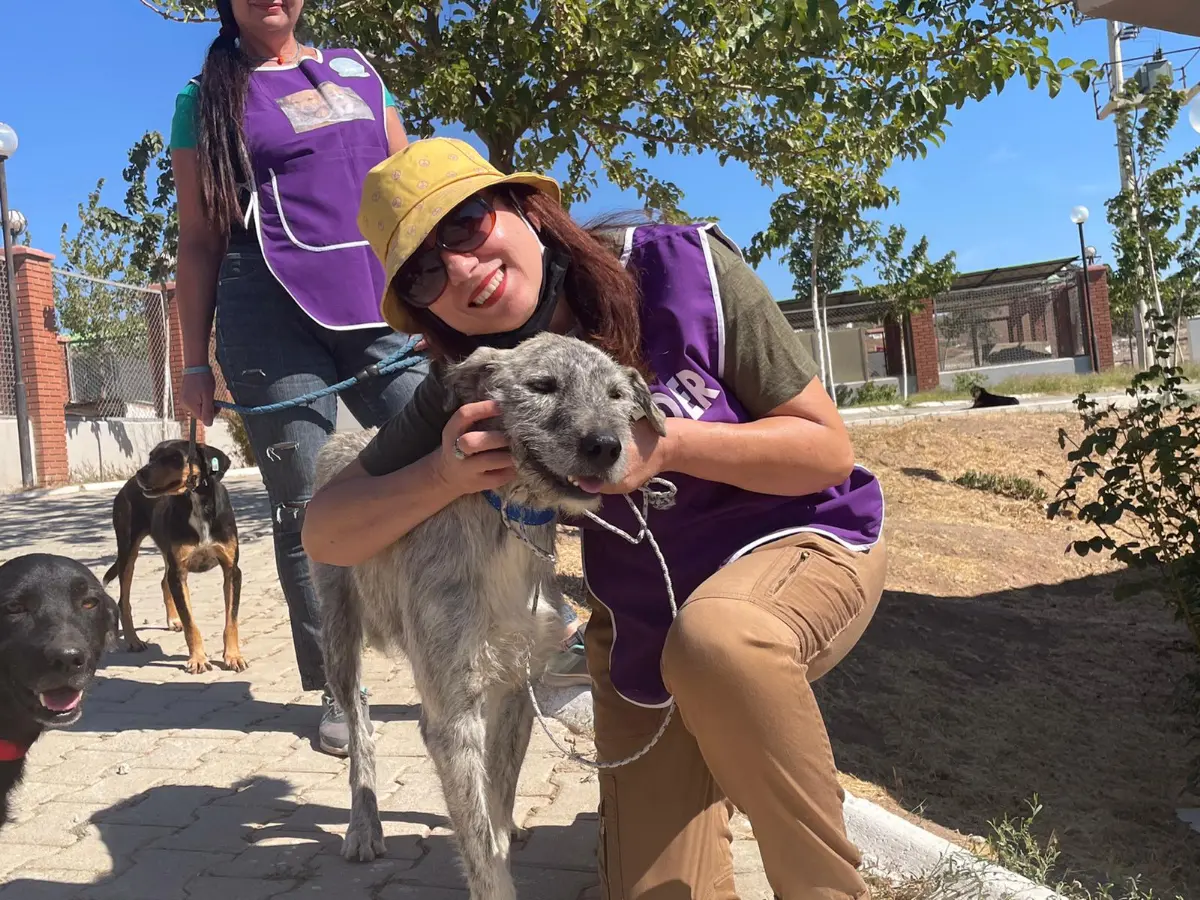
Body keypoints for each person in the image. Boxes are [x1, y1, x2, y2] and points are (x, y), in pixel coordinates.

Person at [302, 136, 887, 899]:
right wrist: (441, 474)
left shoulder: (684, 272)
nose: (459, 268)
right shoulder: (477, 374)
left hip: (800, 543)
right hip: (649, 614)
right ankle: (721, 756)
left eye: (465, 223)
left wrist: (669, 444)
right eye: (423, 272)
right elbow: (328, 532)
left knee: (723, 644)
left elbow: (826, 452)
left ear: (524, 210)